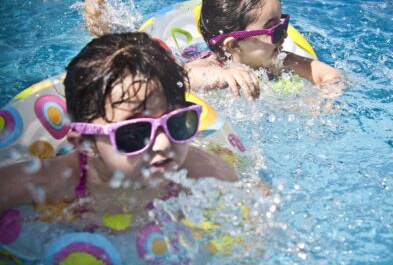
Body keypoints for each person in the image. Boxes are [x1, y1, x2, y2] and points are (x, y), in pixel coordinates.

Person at [0, 32, 237, 226]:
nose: (164, 144)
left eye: (176, 122)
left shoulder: (198, 169)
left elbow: (258, 203)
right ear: (85, 142)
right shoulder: (54, 181)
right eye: (134, 133)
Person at [83, 0, 343, 101]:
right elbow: (181, 79)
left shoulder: (280, 59)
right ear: (233, 46)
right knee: (109, 45)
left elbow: (327, 74)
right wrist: (222, 75)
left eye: (283, 24)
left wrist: (326, 99)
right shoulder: (211, 63)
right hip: (178, 55)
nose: (284, 36)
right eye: (275, 30)